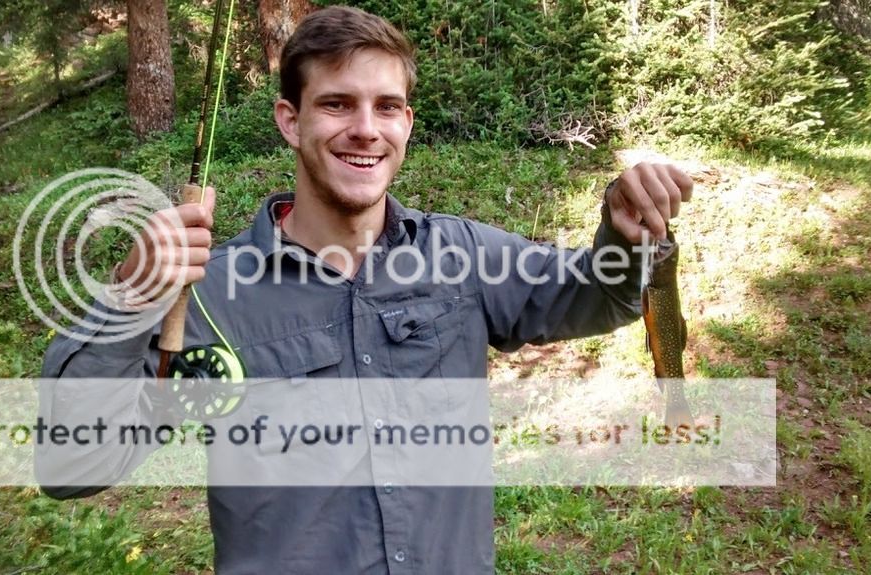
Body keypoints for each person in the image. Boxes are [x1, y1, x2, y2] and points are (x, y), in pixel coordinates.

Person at [37, 6, 693, 574]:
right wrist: (129, 295)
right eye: (337, 104)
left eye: (386, 107)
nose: (366, 129)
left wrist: (624, 231)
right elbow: (72, 466)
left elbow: (598, 296)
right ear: (290, 121)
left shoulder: (465, 256)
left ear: (407, 122)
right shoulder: (212, 296)